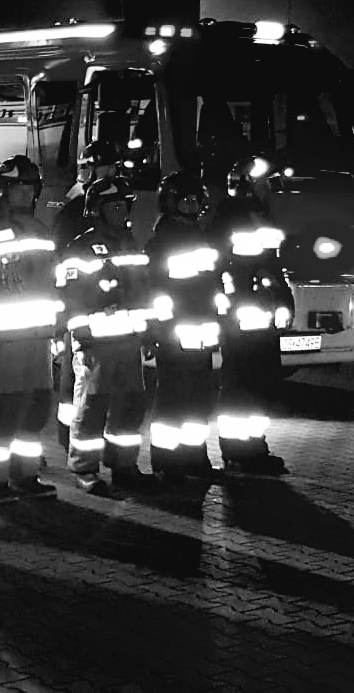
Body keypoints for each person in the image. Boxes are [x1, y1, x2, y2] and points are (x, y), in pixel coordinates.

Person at [0, 156, 62, 501]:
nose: (25, 194)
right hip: (3, 340)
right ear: (2, 189)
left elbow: (52, 282)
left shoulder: (41, 231)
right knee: (3, 408)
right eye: (18, 187)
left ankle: (26, 474)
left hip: (38, 338)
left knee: (35, 408)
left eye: (30, 188)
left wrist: (57, 327)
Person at [55, 175, 158, 496]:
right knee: (91, 407)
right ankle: (84, 468)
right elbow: (69, 296)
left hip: (129, 341)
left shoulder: (131, 244)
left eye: (123, 206)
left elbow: (144, 291)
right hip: (95, 344)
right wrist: (82, 332)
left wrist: (149, 331)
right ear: (97, 210)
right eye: (114, 206)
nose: (121, 212)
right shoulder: (80, 248)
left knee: (130, 405)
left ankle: (124, 464)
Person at [212, 158, 292, 477]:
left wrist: (285, 302)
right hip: (241, 320)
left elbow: (273, 265)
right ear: (246, 185)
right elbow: (222, 268)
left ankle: (256, 448)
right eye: (265, 183)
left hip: (264, 319)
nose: (270, 188)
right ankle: (235, 453)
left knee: (261, 385)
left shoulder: (264, 215)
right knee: (238, 386)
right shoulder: (227, 216)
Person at [143, 174, 224, 482]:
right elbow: (155, 292)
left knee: (199, 400)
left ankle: (194, 457)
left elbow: (214, 284)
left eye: (195, 200)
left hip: (203, 334)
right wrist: (157, 330)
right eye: (185, 200)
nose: (192, 206)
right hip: (175, 337)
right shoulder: (160, 244)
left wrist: (220, 320)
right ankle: (166, 462)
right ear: (170, 202)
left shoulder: (203, 240)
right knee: (172, 401)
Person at [51, 141, 122, 450]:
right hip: (80, 308)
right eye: (107, 169)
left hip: (104, 308)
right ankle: (69, 437)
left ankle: (84, 434)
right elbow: (62, 265)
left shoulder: (104, 207)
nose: (113, 175)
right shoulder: (74, 212)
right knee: (73, 375)